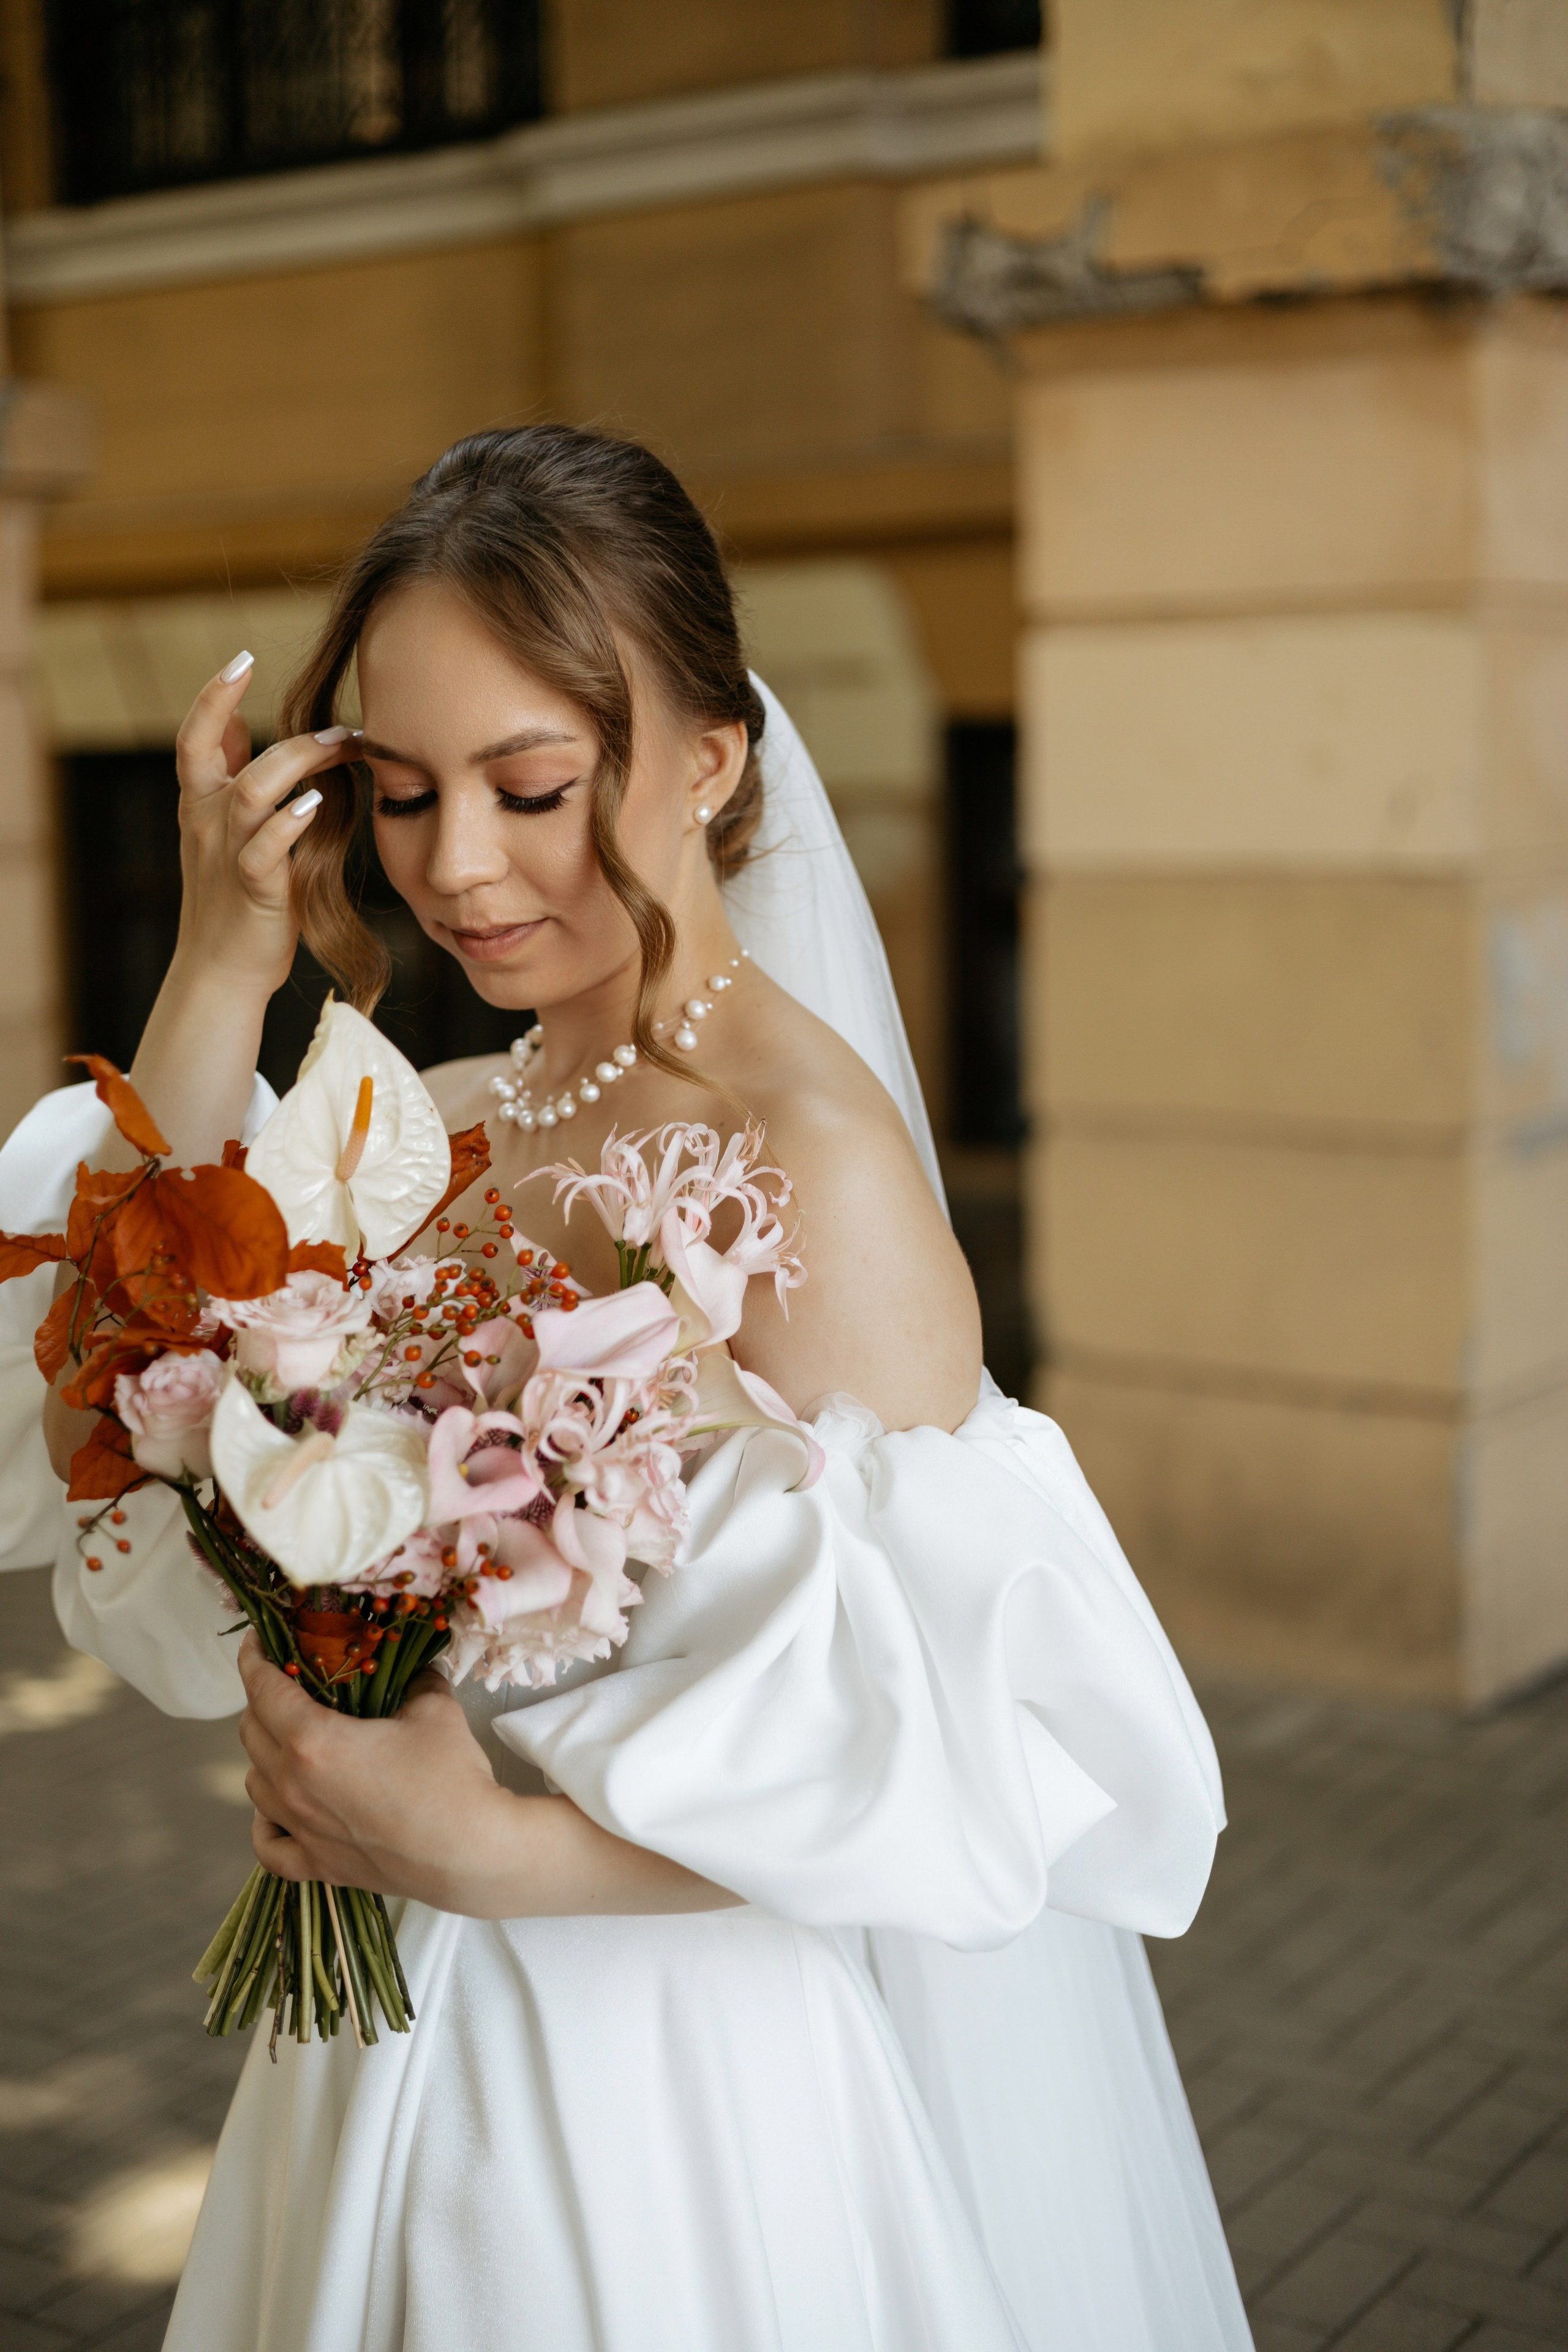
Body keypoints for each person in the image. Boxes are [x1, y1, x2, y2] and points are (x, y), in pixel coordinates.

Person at [0, 427, 1253, 2351]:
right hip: (387, 2041)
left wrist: (489, 1846)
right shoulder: (451, 1117)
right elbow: (124, 1350)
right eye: (401, 797)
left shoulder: (806, 1165)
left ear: (714, 761)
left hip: (663, 2093)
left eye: (530, 787)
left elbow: (969, 1771)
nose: (458, 869)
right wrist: (223, 956)